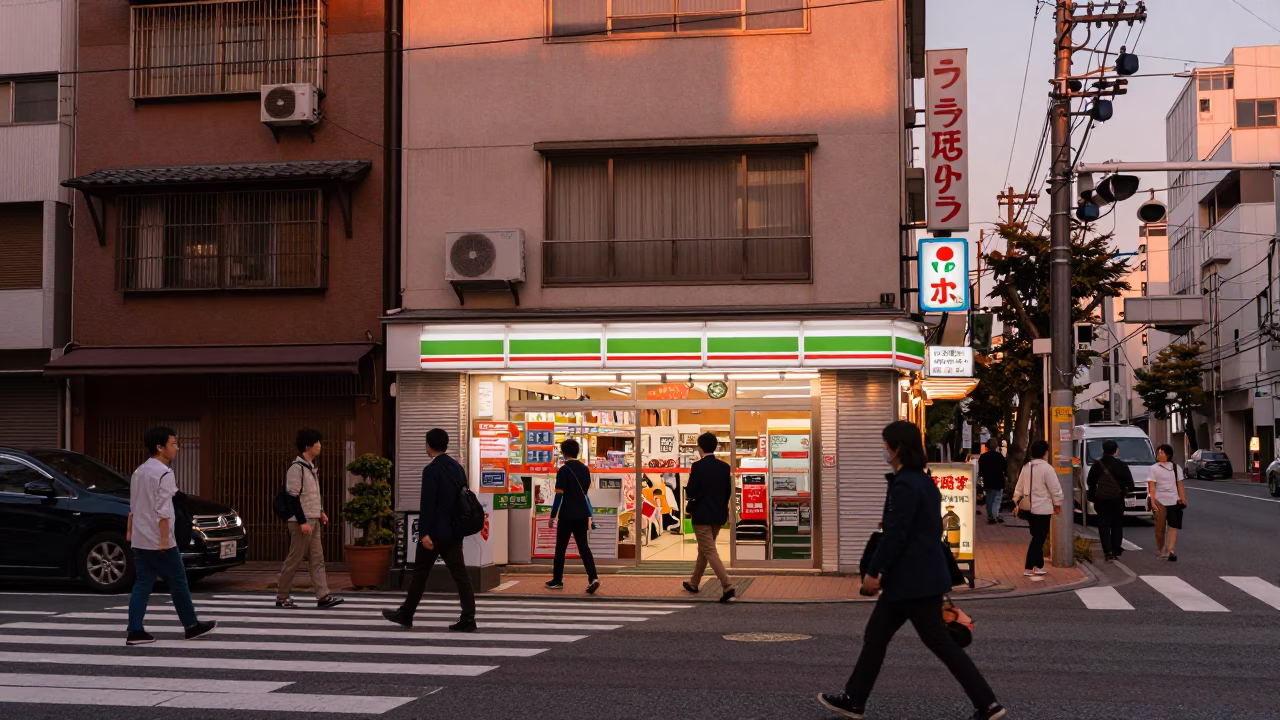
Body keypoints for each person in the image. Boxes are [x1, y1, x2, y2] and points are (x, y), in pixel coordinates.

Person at [819, 421, 1005, 720]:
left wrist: (874, 570)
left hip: (911, 581)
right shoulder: (923, 480)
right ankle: (854, 699)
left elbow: (896, 533)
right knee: (879, 636)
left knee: (934, 642)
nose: (883, 450)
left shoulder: (905, 484)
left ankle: (987, 703)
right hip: (917, 578)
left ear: (897, 448)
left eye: (885, 444)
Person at [125, 427, 216, 646]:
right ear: (160, 447)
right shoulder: (164, 473)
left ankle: (135, 630)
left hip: (140, 537)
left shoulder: (139, 472)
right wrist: (166, 539)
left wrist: (129, 532)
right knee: (178, 580)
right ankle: (191, 625)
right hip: (158, 538)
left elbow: (133, 506)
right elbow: (164, 510)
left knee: (143, 583)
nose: (177, 447)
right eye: (173, 443)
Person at [383, 428, 476, 631]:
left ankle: (406, 614)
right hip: (453, 532)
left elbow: (428, 504)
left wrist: (423, 532)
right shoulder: (457, 467)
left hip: (434, 533)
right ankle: (468, 617)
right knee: (461, 575)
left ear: (428, 445)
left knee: (420, 574)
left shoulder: (431, 470)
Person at [276, 428, 344, 609]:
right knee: (295, 559)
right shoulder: (296, 469)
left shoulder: (311, 468)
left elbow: (310, 495)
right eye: (317, 443)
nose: (320, 446)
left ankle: (323, 596)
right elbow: (292, 497)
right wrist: (302, 521)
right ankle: (282, 597)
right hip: (301, 522)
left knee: (317, 558)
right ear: (307, 446)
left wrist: (320, 512)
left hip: (313, 519)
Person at [682, 431, 735, 602]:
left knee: (709, 550)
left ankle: (727, 585)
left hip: (702, 514)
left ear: (700, 448)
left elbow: (691, 491)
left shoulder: (697, 467)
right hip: (718, 514)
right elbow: (728, 492)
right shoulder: (724, 467)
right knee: (704, 550)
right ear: (716, 447)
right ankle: (694, 583)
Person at [546, 438, 600, 594]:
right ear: (577, 451)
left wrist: (552, 515)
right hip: (582, 514)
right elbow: (585, 491)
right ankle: (593, 577)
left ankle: (557, 580)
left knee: (561, 548)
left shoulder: (563, 470)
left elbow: (559, 496)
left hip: (567, 515)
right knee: (584, 547)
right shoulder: (585, 469)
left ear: (563, 453)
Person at [1011, 440, 1064, 577]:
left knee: (1037, 536)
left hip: (1028, 508)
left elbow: (1019, 487)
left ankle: (1038, 566)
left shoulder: (1026, 467)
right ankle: (1029, 567)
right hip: (1043, 508)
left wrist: (1016, 501)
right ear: (1045, 453)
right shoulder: (1047, 469)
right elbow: (1055, 489)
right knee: (1039, 538)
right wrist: (1057, 504)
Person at [1086, 438, 1135, 562]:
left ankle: (1107, 551)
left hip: (1101, 500)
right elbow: (1131, 485)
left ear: (1103, 450)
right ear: (1116, 451)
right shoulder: (1121, 465)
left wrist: (1092, 496)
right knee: (1117, 524)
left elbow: (1090, 482)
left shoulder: (1097, 465)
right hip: (1117, 499)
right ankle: (1116, 549)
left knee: (1103, 525)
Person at [1148, 444, 1188, 562]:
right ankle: (1161, 550)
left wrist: (1183, 498)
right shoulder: (1153, 468)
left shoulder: (1176, 468)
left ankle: (1171, 550)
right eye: (1158, 452)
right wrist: (1152, 501)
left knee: (1172, 527)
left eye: (1161, 453)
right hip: (1159, 500)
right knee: (1159, 529)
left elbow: (1180, 483)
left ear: (1168, 455)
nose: (1159, 454)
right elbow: (1151, 487)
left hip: (1174, 500)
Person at [977, 438, 1007, 524]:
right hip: (999, 480)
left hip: (988, 481)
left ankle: (990, 515)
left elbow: (981, 471)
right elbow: (1004, 469)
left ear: (987, 446)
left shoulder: (983, 457)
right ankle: (994, 515)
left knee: (989, 499)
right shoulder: (1000, 456)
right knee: (997, 499)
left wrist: (980, 479)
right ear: (996, 446)